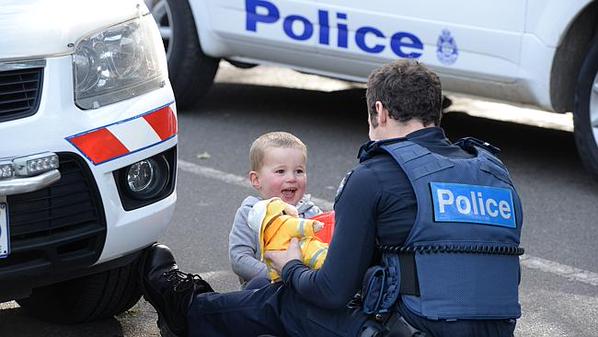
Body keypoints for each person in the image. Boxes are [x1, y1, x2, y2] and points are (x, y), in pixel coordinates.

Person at [140, 60, 524, 337]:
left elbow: (330, 291)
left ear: (379, 110)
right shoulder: (493, 172)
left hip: (413, 330)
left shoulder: (376, 174)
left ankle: (185, 309)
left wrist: (290, 266)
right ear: (435, 113)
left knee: (288, 299)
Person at [228, 131, 322, 288]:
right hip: (266, 289)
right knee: (257, 284)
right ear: (256, 180)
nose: (291, 178)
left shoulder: (312, 214)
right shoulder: (250, 214)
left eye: (299, 171)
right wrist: (278, 273)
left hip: (304, 288)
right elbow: (239, 259)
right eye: (280, 171)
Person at [248, 197, 328, 281]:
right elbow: (299, 225)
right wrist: (313, 226)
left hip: (294, 274)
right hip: (312, 251)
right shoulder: (284, 222)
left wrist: (276, 279)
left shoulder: (268, 246)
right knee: (326, 263)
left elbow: (272, 268)